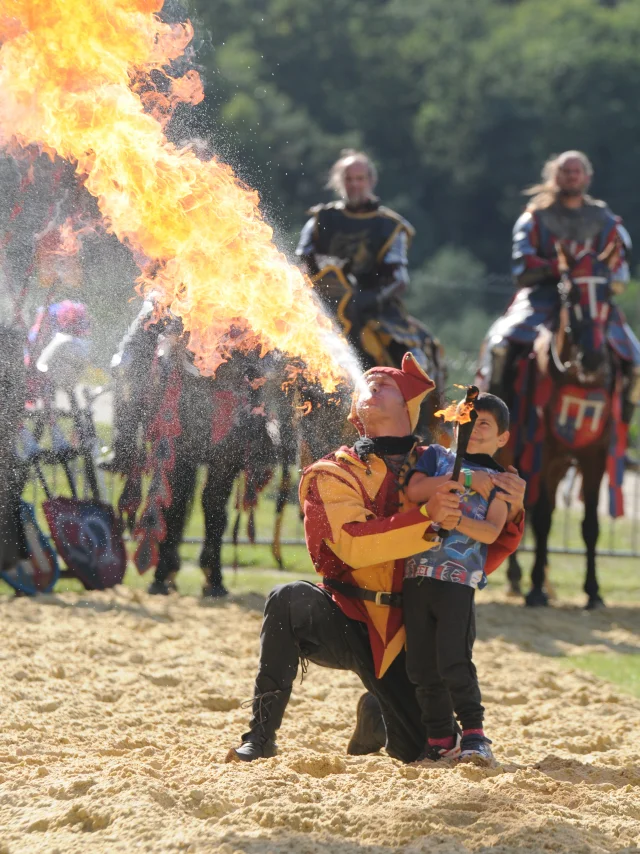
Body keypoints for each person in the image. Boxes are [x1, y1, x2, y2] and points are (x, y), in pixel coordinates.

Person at [226, 354, 525, 764]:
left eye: (384, 383)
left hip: (413, 630)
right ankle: (259, 738)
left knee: (422, 749)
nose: (371, 384)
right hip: (349, 616)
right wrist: (427, 518)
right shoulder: (332, 471)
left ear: (408, 405)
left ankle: (377, 712)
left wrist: (511, 505)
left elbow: (475, 552)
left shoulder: (445, 464)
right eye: (367, 382)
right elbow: (351, 544)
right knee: (286, 599)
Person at [483, 150, 640, 423]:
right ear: (555, 176)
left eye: (576, 171)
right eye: (565, 171)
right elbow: (523, 267)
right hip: (541, 298)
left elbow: (620, 271)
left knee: (636, 364)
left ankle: (620, 431)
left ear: (587, 176)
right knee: (501, 346)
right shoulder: (534, 218)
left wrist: (589, 276)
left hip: (591, 303)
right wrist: (557, 269)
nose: (571, 176)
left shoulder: (606, 220)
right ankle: (498, 420)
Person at [403, 393, 511, 767]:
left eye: (485, 424)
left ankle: (475, 735)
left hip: (458, 581)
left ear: (502, 438)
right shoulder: (434, 457)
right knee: (419, 666)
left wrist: (457, 522)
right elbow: (413, 491)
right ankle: (439, 739)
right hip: (416, 577)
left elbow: (493, 531)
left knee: (453, 660)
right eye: (469, 420)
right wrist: (466, 476)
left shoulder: (503, 482)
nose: (474, 429)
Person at [296, 150, 440, 374]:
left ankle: (416, 406)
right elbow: (303, 265)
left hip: (373, 310)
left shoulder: (389, 227)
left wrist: (364, 300)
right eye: (349, 179)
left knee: (414, 362)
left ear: (371, 181)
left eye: (360, 178)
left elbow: (399, 279)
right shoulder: (320, 220)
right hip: (323, 309)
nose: (354, 185)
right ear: (339, 182)